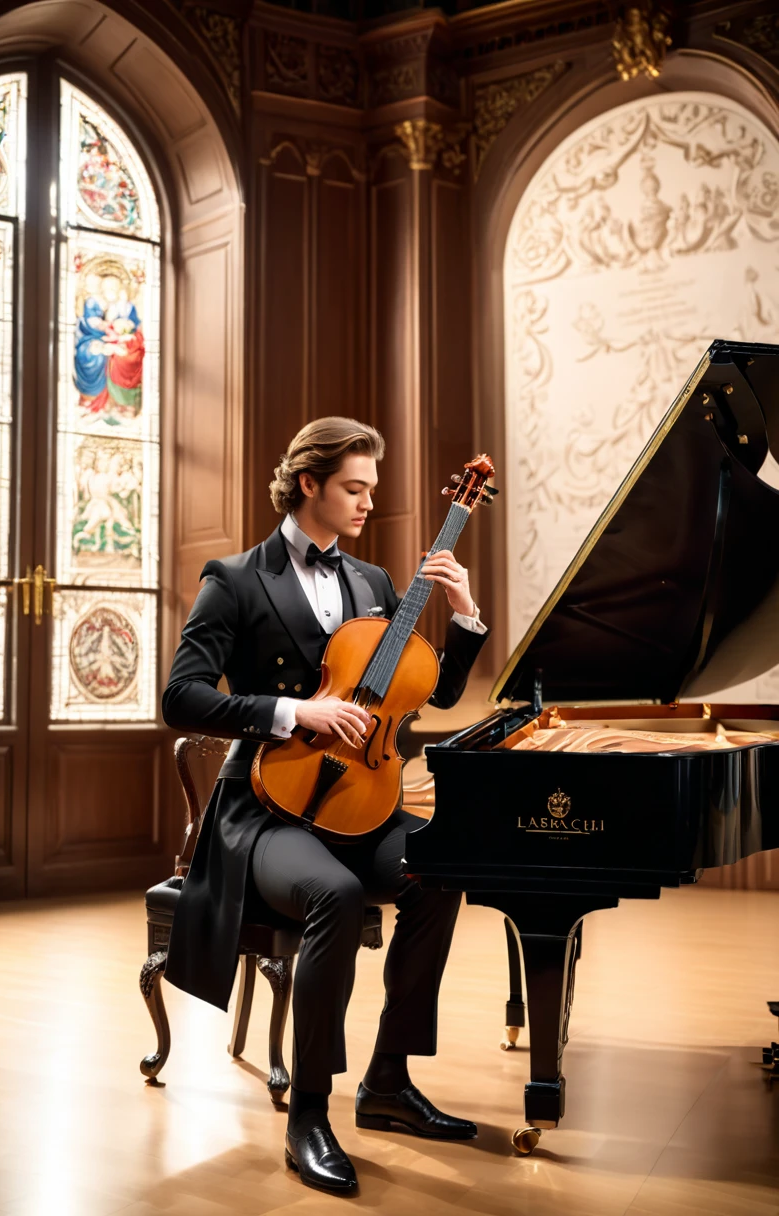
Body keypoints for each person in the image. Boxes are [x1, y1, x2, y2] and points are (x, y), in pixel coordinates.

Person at [162, 417, 489, 1196]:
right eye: (354, 487)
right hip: (268, 809)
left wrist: (465, 611)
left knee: (438, 869)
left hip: (364, 798)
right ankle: (309, 1113)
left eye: (373, 489)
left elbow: (432, 689)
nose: (368, 502)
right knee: (335, 895)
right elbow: (182, 697)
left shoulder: (376, 583)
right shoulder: (234, 579)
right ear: (308, 482)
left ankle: (387, 1081)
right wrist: (291, 712)